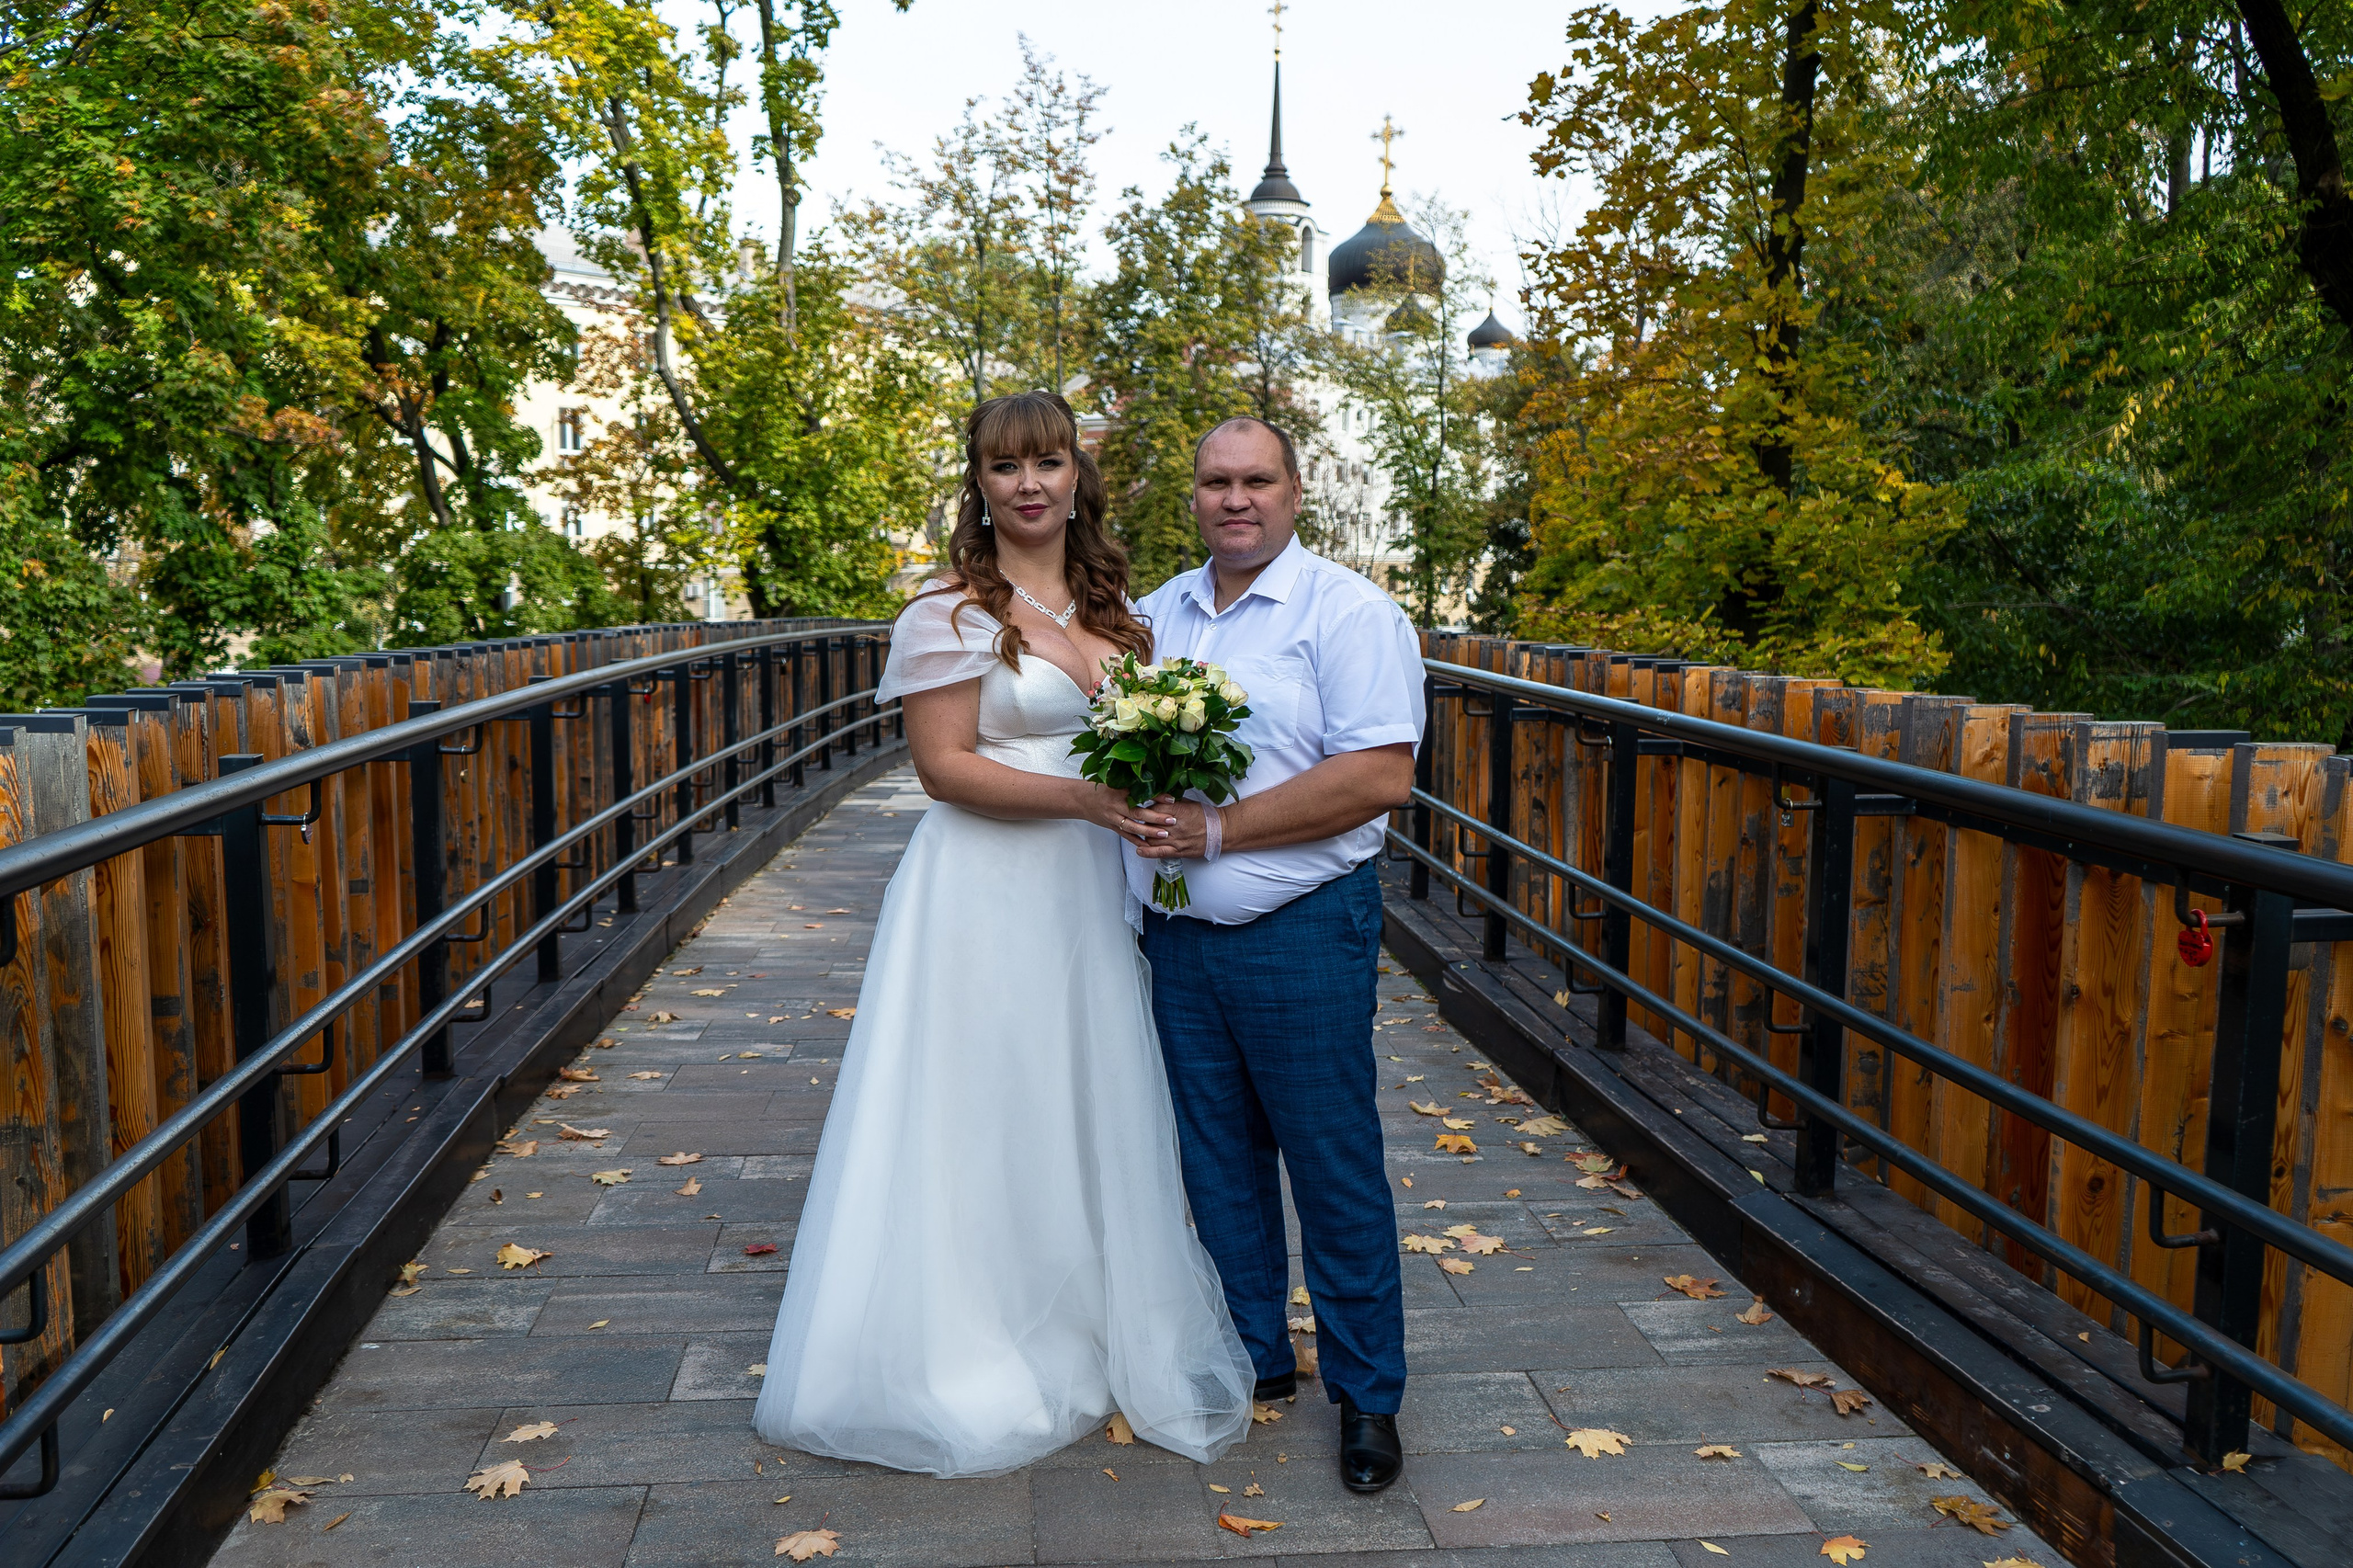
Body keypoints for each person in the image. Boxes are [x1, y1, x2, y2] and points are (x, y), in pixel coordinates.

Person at [753, 392, 1255, 1478]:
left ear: (1080, 475)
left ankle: (1075, 1321)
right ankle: (966, 1340)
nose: (1029, 482)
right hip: (981, 891)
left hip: (1088, 891)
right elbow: (943, 769)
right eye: (1005, 464)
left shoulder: (1120, 604)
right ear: (977, 483)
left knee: (1073, 1095)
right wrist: (1083, 799)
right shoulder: (947, 610)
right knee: (976, 1105)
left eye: (1049, 461)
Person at [1129, 415, 1426, 1494]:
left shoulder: (1345, 612)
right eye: (1216, 480)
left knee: (1328, 1159)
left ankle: (1369, 1395)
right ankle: (1254, 1353)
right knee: (1214, 1158)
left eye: (1257, 480)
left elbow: (1378, 776)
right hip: (1175, 936)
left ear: (1297, 493)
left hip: (1301, 926)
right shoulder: (1151, 616)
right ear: (1194, 495)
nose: (1235, 498)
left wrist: (1217, 832)